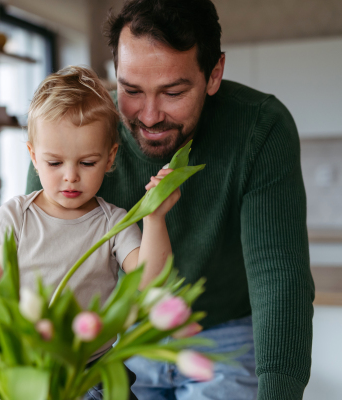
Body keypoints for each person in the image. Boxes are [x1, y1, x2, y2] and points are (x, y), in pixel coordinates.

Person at [26, 1, 315, 399]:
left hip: (222, 334)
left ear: (213, 74)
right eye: (130, 90)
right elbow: (27, 272)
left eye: (173, 92)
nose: (148, 115)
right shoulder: (73, 136)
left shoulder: (259, 128)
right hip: (114, 341)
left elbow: (278, 276)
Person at [0, 66, 181, 400]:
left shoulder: (113, 223)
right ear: (33, 157)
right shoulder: (16, 217)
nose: (70, 177)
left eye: (87, 163)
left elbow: (150, 282)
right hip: (23, 363)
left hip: (92, 373)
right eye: (55, 163)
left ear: (109, 158)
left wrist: (155, 218)